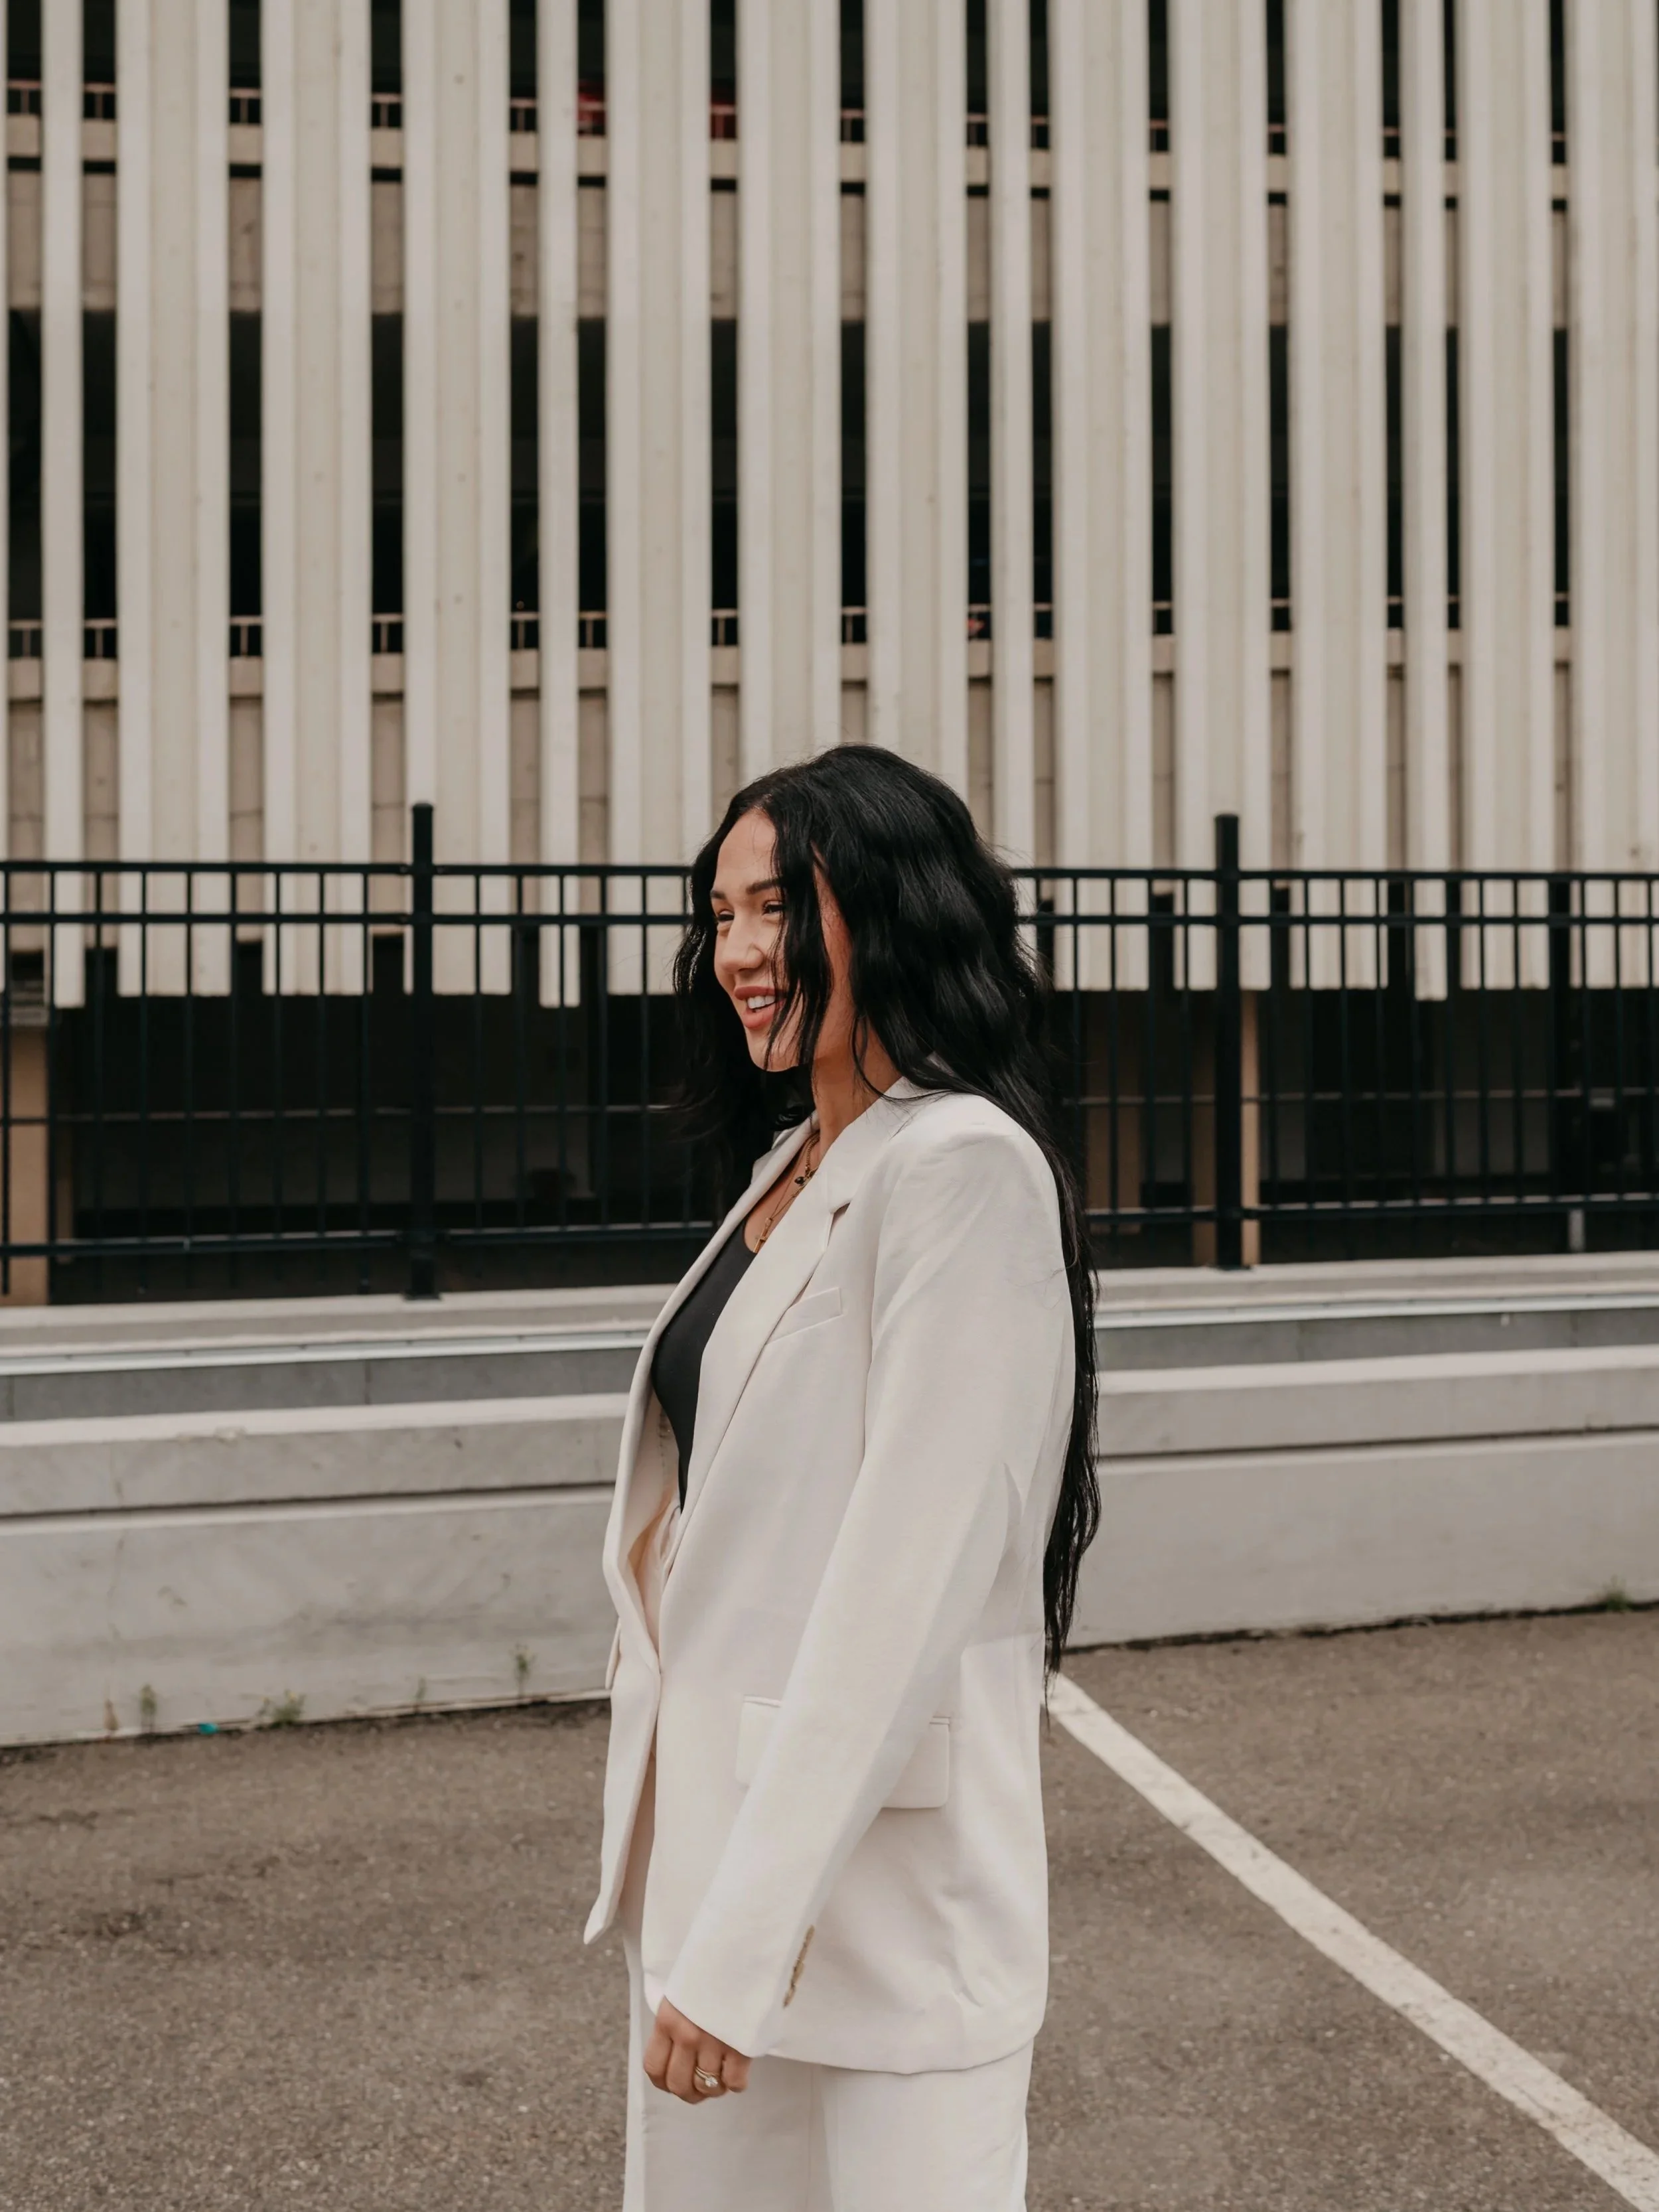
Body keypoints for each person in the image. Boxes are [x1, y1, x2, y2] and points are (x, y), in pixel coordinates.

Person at [585, 745, 1099, 2211]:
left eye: (773, 909)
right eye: (718, 914)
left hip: (865, 1920)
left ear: (887, 912)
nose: (737, 951)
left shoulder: (960, 1170)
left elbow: (901, 1588)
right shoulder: (792, 1164)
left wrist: (741, 1944)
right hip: (725, 1868)